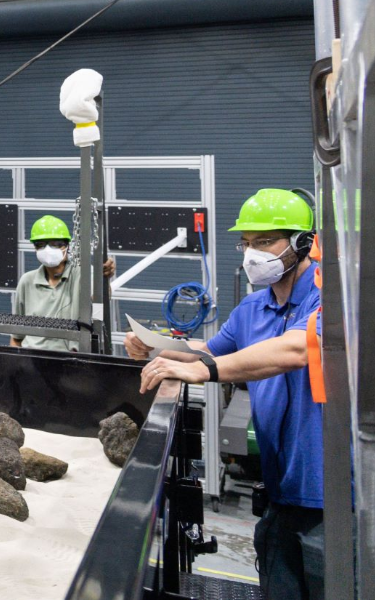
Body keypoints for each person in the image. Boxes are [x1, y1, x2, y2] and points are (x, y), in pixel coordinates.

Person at [129, 188, 323, 600]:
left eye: (265, 242)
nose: (253, 254)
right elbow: (210, 349)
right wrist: (155, 346)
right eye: (247, 243)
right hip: (278, 492)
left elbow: (296, 349)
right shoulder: (252, 310)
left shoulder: (329, 300)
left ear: (303, 242)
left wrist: (204, 370)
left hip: (331, 498)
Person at [11, 215, 115, 351]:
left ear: (66, 245)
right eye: (41, 245)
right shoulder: (27, 281)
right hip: (31, 358)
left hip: (70, 360)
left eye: (56, 244)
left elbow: (100, 302)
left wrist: (103, 276)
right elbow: (16, 337)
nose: (48, 250)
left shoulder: (82, 274)